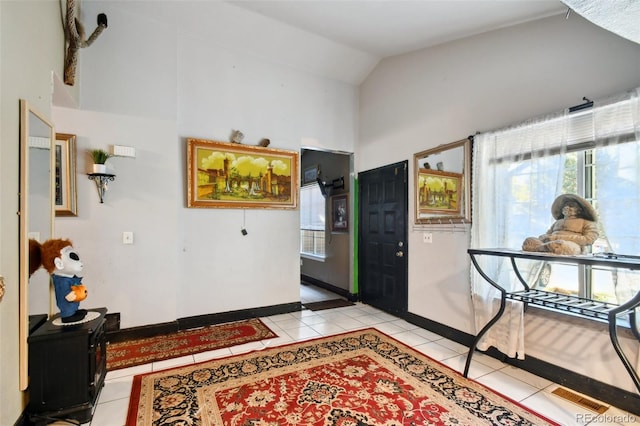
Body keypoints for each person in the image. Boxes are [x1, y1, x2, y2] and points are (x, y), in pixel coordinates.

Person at [522, 194, 598, 255]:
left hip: (570, 245)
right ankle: (543, 247)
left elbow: (589, 239)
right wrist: (543, 237)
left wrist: (557, 238)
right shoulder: (558, 222)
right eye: (565, 206)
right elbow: (548, 234)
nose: (567, 207)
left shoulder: (587, 223)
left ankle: (541, 248)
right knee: (529, 240)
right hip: (549, 243)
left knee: (560, 244)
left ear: (579, 210)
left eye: (571, 206)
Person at [40, 239, 88, 323]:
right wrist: (71, 294)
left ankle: (74, 312)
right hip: (67, 305)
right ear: (59, 263)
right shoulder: (61, 281)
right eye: (73, 256)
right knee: (68, 306)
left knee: (73, 306)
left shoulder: (71, 277)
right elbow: (65, 293)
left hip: (74, 302)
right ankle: (68, 316)